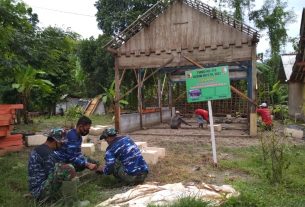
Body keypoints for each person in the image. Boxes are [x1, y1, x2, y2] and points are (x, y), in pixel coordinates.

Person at [28, 128, 76, 201]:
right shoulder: (47, 155)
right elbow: (53, 174)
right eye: (61, 143)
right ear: (55, 141)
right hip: (40, 192)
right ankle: (71, 200)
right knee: (68, 168)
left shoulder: (39, 149)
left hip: (34, 190)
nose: (62, 145)